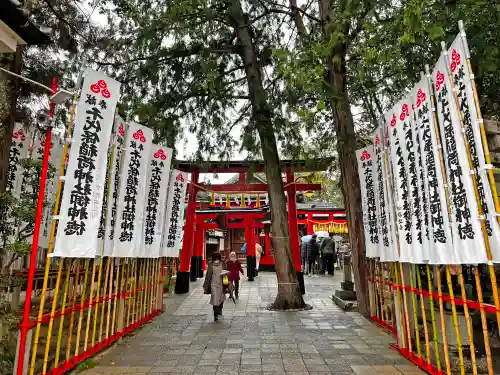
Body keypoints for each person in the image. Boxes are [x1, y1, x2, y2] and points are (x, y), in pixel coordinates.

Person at [203, 252, 230, 321]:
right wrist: (206, 284)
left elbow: (226, 272)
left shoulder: (223, 263)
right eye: (215, 258)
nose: (216, 260)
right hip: (213, 283)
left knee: (221, 297)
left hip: (221, 283)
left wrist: (227, 280)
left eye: (217, 258)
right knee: (215, 297)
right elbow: (208, 275)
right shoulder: (210, 264)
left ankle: (220, 309)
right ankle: (215, 313)